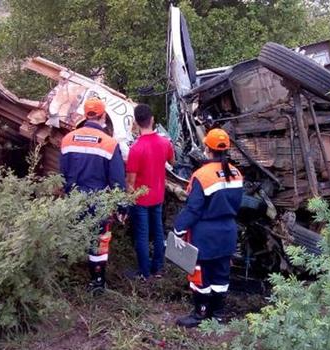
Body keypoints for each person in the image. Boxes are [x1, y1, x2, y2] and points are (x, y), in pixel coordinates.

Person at [172, 128, 244, 328]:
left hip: (205, 234)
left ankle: (200, 314)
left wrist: (178, 229)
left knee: (200, 274)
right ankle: (218, 314)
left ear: (207, 148)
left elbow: (193, 209)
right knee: (221, 274)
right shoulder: (236, 173)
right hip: (228, 231)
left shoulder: (201, 175)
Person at [60, 97, 126, 294]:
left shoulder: (67, 139)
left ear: (85, 115)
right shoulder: (109, 143)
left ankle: (69, 275)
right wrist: (122, 206)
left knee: (75, 235)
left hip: (74, 199)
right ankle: (97, 281)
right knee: (99, 241)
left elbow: (61, 174)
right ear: (103, 115)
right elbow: (117, 180)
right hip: (99, 201)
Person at [126, 104, 174, 280]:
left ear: (136, 123)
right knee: (158, 231)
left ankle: (144, 273)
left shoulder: (136, 149)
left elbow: (130, 181)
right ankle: (158, 269)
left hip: (141, 198)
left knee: (142, 235)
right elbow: (172, 161)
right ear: (152, 119)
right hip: (158, 195)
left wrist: (127, 200)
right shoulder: (164, 142)